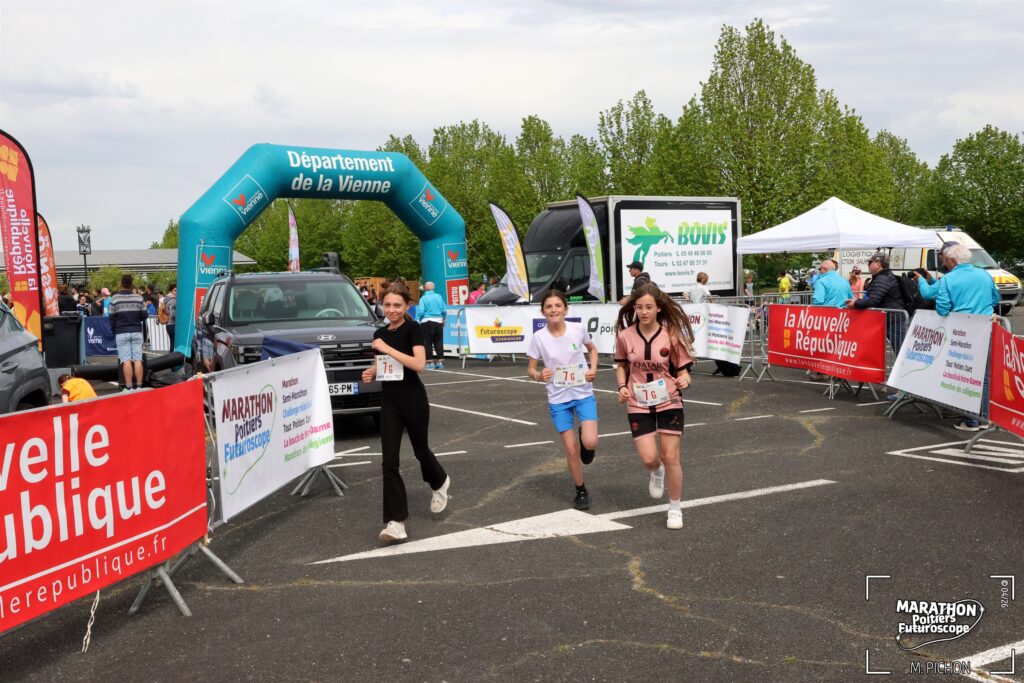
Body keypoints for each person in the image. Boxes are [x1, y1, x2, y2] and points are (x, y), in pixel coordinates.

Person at [361, 283, 450, 543]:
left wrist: (387, 349)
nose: (392, 310)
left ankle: (440, 481)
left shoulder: (414, 329)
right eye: (387, 305)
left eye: (397, 305)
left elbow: (419, 364)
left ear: (407, 306)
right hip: (389, 402)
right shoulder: (379, 333)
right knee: (389, 461)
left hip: (413, 399)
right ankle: (396, 522)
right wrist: (371, 371)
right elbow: (381, 365)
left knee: (421, 451)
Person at [614, 283, 696, 530]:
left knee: (671, 456)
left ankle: (675, 508)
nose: (644, 312)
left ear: (658, 308)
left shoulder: (671, 335)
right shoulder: (625, 336)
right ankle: (656, 471)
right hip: (638, 402)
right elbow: (621, 365)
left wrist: (685, 379)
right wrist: (621, 386)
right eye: (639, 307)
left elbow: (683, 370)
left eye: (649, 307)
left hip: (669, 399)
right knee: (650, 458)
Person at [526, 290, 600, 511]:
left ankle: (585, 438)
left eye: (558, 305)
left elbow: (592, 350)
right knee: (571, 449)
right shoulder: (539, 337)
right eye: (549, 307)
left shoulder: (577, 329)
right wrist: (539, 375)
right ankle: (580, 490)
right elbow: (530, 369)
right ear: (543, 311)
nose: (553, 310)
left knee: (590, 442)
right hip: (558, 399)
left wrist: (593, 369)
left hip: (582, 393)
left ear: (565, 309)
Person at [934, 243, 1001, 431]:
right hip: (986, 327)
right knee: (984, 375)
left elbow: (942, 309)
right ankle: (983, 418)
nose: (944, 263)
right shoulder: (984, 275)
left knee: (963, 375)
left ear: (952, 260)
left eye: (945, 260)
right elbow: (995, 299)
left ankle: (971, 420)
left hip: (962, 331)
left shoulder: (948, 279)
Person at [844, 252, 908, 353]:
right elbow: (874, 297)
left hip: (893, 321)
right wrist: (857, 301)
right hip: (890, 319)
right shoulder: (883, 277)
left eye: (870, 262)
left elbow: (873, 301)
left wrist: (855, 304)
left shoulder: (883, 278)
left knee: (901, 352)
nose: (868, 265)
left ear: (878, 264)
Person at [109, 274, 148, 390]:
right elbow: (145, 315)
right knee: (138, 359)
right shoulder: (139, 298)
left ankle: (129, 387)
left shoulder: (115, 299)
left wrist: (114, 330)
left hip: (121, 332)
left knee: (126, 360)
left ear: (121, 284)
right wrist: (136, 319)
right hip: (136, 331)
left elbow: (111, 318)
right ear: (131, 284)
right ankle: (139, 386)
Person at [415, 281, 446, 370]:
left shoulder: (423, 298)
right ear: (433, 288)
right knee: (439, 341)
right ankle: (440, 362)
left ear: (425, 288)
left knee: (427, 342)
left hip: (426, 321)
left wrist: (417, 320)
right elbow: (444, 309)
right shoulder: (439, 297)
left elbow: (421, 311)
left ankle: (430, 362)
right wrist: (444, 318)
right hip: (438, 321)